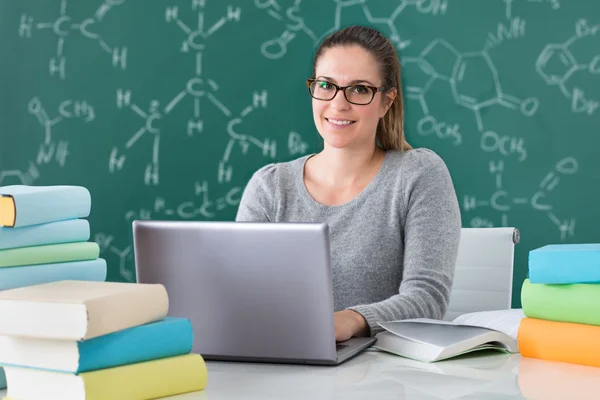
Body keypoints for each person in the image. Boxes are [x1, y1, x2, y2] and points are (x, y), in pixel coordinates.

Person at [235, 25, 461, 342]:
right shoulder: (269, 187)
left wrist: (352, 321)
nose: (338, 104)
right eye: (326, 85)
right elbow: (238, 296)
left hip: (385, 379)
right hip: (284, 368)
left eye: (359, 89)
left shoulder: (418, 174)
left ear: (386, 101)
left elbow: (428, 299)